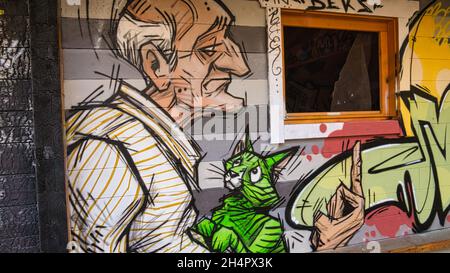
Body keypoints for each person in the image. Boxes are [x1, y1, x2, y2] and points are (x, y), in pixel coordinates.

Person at [66, 0, 250, 253]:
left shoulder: (148, 144)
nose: (238, 66)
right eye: (208, 49)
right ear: (156, 65)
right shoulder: (108, 150)